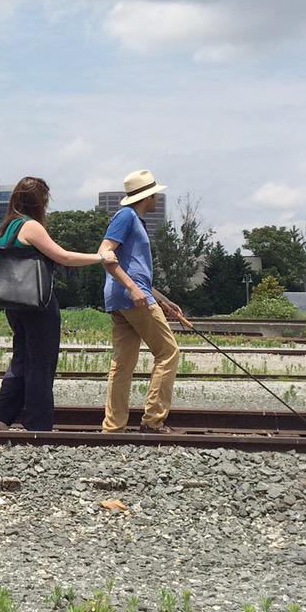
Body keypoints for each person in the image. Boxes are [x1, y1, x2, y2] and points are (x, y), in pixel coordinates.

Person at [0, 176, 117, 432]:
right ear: (40, 201)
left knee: (23, 359)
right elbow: (63, 257)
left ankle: (0, 414)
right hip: (37, 304)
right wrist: (100, 257)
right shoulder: (31, 226)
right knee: (41, 364)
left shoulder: (7, 227)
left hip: (15, 303)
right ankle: (38, 424)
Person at [97, 168, 185, 434]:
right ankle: (153, 420)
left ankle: (113, 426)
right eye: (154, 194)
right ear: (148, 197)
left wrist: (164, 301)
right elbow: (105, 252)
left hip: (121, 298)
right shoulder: (126, 216)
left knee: (122, 364)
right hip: (132, 298)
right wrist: (135, 289)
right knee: (168, 352)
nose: (157, 198)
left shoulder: (132, 218)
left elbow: (134, 270)